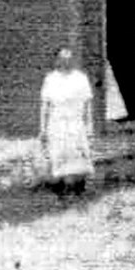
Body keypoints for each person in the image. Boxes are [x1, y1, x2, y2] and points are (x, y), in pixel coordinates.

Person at [39, 48, 94, 196]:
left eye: (69, 58)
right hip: (57, 122)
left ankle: (79, 188)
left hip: (76, 122)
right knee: (59, 155)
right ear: (57, 60)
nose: (66, 62)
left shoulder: (81, 78)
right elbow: (45, 106)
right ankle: (61, 190)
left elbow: (87, 106)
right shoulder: (51, 79)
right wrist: (42, 129)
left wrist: (89, 128)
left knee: (78, 154)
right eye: (63, 58)